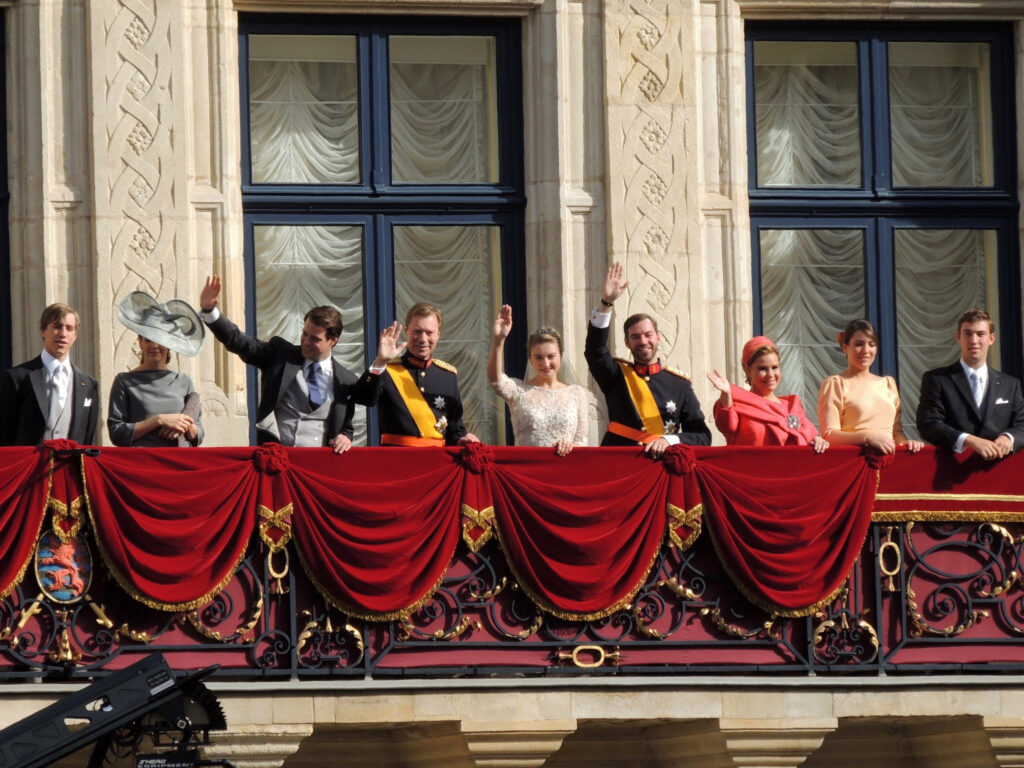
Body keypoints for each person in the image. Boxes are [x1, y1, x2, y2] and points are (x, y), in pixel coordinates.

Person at [198, 275, 372, 453]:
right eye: (305, 334)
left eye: (315, 339)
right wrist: (211, 312)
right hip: (278, 460)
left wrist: (346, 436)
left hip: (320, 463)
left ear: (333, 341)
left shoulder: (345, 379)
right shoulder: (280, 355)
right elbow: (240, 342)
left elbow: (346, 425)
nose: (305, 341)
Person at [584, 262, 711, 457]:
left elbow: (702, 436)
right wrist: (606, 303)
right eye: (635, 337)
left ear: (658, 338)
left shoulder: (679, 385)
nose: (643, 341)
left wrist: (667, 440)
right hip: (622, 465)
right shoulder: (615, 376)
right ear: (627, 342)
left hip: (663, 469)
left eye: (648, 335)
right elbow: (595, 349)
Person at [356, 302, 479, 446]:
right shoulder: (387, 370)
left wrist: (462, 438)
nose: (423, 339)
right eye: (417, 332)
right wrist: (380, 362)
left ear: (438, 335)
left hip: (436, 462)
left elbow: (454, 428)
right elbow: (362, 398)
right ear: (406, 331)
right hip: (398, 461)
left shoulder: (448, 376)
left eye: (429, 333)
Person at [916, 308, 1024, 460]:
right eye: (968, 333)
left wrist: (1009, 438)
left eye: (980, 334)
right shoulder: (937, 379)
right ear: (958, 337)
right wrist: (969, 440)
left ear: (991, 339)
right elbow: (928, 424)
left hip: (1000, 473)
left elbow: (1022, 423)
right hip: (952, 473)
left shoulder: (1011, 384)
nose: (974, 340)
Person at [107, 291, 206, 447]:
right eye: (148, 339)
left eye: (160, 339)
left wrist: (185, 424)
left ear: (169, 343)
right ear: (140, 342)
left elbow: (198, 435)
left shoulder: (184, 381)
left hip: (179, 465)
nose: (154, 345)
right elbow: (116, 433)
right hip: (143, 465)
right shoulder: (124, 381)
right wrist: (159, 420)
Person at [488, 304, 588, 455]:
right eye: (538, 358)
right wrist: (498, 340)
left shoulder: (577, 393)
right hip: (527, 468)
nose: (546, 364)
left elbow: (582, 442)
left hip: (565, 469)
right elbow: (495, 380)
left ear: (560, 355)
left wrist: (571, 446)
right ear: (530, 359)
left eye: (551, 356)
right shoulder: (518, 390)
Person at [817, 319, 923, 455]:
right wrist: (867, 437)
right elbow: (829, 435)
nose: (866, 350)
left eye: (871, 344)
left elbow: (896, 433)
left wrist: (908, 444)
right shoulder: (835, 384)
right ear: (845, 347)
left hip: (889, 463)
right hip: (854, 461)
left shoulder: (888, 384)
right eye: (859, 344)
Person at [0, 303, 98, 446]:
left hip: (69, 466)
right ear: (43, 331)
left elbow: (87, 438)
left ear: (75, 335)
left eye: (69, 328)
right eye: (57, 326)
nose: (63, 334)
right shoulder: (17, 378)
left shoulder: (88, 384)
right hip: (31, 466)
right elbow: (5, 434)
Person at [707, 335, 828, 452]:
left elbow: (805, 438)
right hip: (750, 471)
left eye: (775, 367)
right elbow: (727, 426)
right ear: (748, 370)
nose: (770, 375)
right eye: (763, 369)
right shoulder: (735, 404)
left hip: (787, 471)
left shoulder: (792, 406)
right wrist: (727, 395)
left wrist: (817, 442)